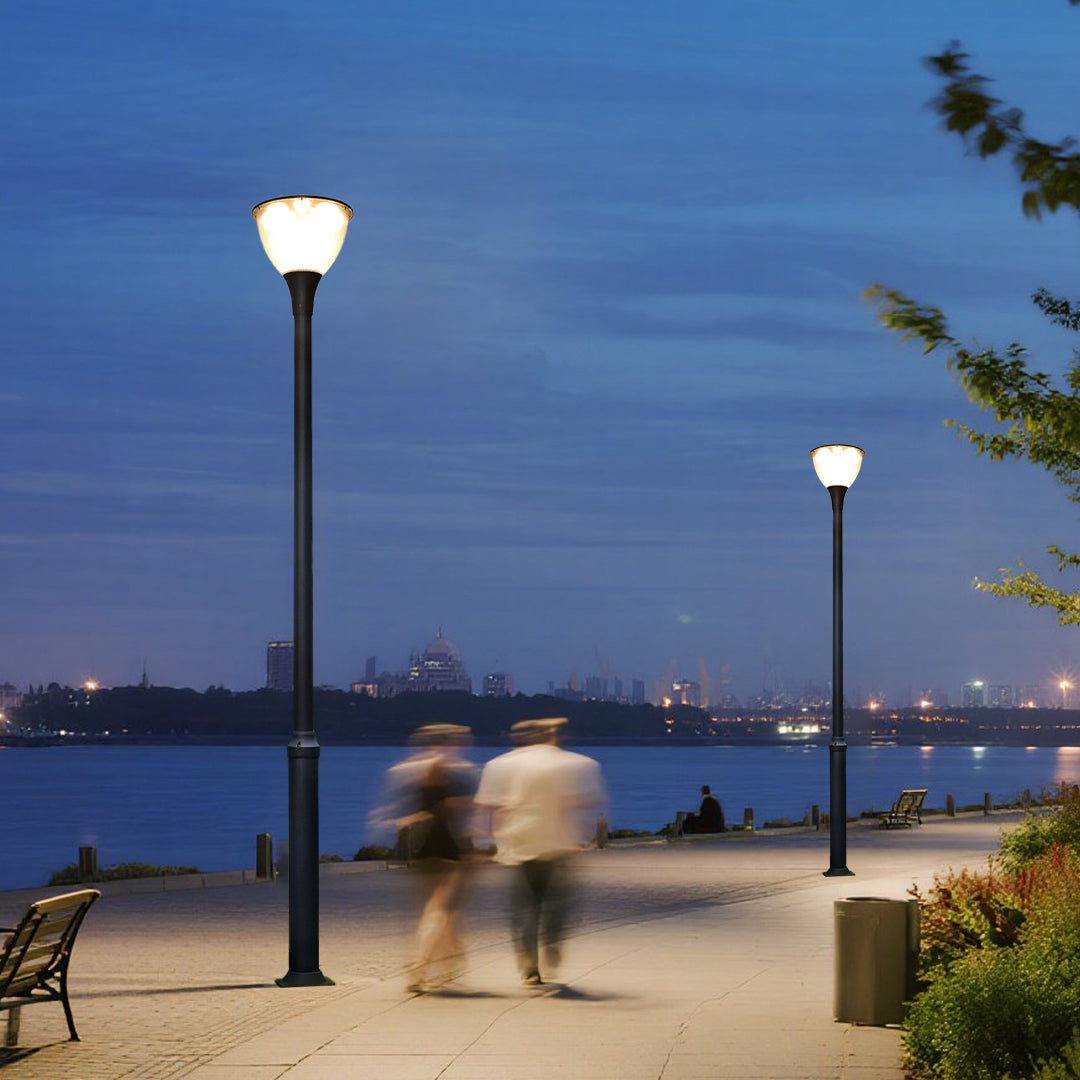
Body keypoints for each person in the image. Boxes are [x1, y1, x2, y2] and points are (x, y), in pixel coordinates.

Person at [474, 717, 607, 987]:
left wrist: (481, 843)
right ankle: (552, 946)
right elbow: (589, 801)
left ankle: (528, 965)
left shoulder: (499, 765)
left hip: (520, 844)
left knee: (525, 906)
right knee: (558, 904)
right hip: (559, 843)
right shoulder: (576, 764)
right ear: (552, 736)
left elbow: (486, 808)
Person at [371, 723, 478, 993]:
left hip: (422, 848)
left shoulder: (410, 769)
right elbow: (462, 811)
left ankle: (448, 958)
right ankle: (420, 961)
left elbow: (409, 808)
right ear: (450, 742)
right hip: (449, 847)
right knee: (439, 910)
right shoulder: (453, 771)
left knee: (438, 908)